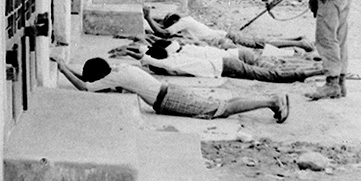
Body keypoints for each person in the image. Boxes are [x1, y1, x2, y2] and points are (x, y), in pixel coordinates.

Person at [52, 56, 289, 123]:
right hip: (169, 92)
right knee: (222, 105)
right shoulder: (119, 69)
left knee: (222, 110)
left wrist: (63, 69)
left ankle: (271, 101)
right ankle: (268, 100)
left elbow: (85, 87)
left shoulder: (114, 77)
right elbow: (91, 77)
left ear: (102, 77)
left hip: (169, 100)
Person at [114, 38, 325, 83]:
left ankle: (316, 71)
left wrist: (135, 55)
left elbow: (151, 58)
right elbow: (149, 53)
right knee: (270, 66)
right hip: (226, 61)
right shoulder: (177, 53)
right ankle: (314, 65)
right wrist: (129, 51)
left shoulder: (172, 62)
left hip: (227, 66)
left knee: (271, 74)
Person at [141, 8, 315, 52]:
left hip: (228, 37)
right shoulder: (187, 21)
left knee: (261, 45)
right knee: (261, 42)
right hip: (226, 34)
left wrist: (148, 18)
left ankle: (300, 43)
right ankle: (297, 39)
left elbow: (163, 33)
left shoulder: (183, 23)